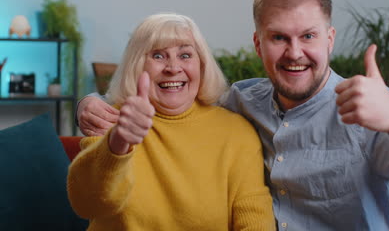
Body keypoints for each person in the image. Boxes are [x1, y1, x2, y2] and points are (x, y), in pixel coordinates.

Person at [76, 0, 389, 230]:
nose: (294, 52)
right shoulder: (242, 102)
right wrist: (91, 106)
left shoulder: (369, 110)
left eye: (308, 36)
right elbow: (170, 107)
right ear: (258, 44)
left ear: (329, 39)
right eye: (279, 37)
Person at [67, 13, 275, 230]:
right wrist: (118, 143)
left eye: (185, 55)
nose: (173, 68)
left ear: (202, 64)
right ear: (137, 65)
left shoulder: (237, 131)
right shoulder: (112, 122)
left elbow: (254, 216)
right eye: (158, 56)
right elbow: (88, 206)